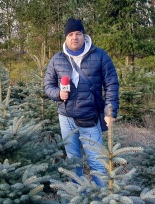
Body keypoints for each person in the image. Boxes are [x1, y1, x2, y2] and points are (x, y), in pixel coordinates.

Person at [43, 17, 119, 187]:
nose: (74, 37)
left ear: (84, 35)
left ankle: (101, 202)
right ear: (65, 38)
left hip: (90, 118)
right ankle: (77, 197)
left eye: (78, 33)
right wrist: (58, 94)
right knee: (73, 162)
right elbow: (47, 85)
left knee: (97, 162)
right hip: (66, 118)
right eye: (70, 34)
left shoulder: (100, 56)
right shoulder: (57, 59)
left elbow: (111, 84)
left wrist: (110, 111)